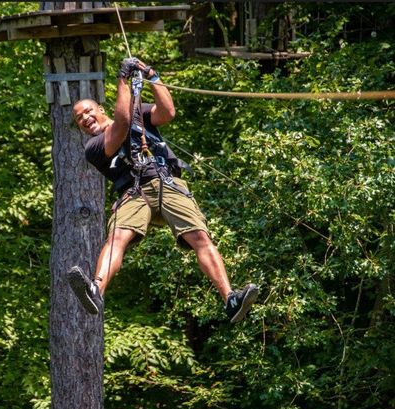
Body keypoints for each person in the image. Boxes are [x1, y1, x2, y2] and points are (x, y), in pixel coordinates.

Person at [68, 57, 258, 323]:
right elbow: (121, 126)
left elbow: (167, 112)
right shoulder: (94, 148)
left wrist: (152, 78)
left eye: (88, 111)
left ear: (100, 109)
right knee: (117, 238)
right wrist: (123, 80)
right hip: (134, 193)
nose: (85, 118)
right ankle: (95, 289)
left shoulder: (138, 113)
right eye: (80, 119)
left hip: (166, 182)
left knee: (200, 237)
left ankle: (230, 299)